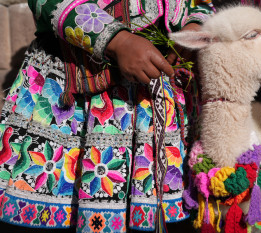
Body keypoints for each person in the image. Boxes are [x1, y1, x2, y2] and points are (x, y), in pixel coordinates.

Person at [0, 0, 212, 232]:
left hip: (157, 97)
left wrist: (194, 26)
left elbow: (196, 5)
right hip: (72, 97)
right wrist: (118, 40)